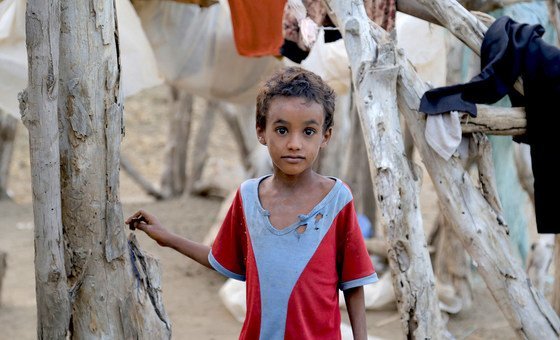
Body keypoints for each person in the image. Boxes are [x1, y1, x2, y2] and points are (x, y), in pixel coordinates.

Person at [126, 66, 378, 339]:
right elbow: (220, 258)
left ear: (325, 136)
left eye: (308, 132)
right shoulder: (247, 198)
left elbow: (353, 283)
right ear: (261, 131)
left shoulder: (336, 200)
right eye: (282, 130)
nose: (294, 143)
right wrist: (167, 237)